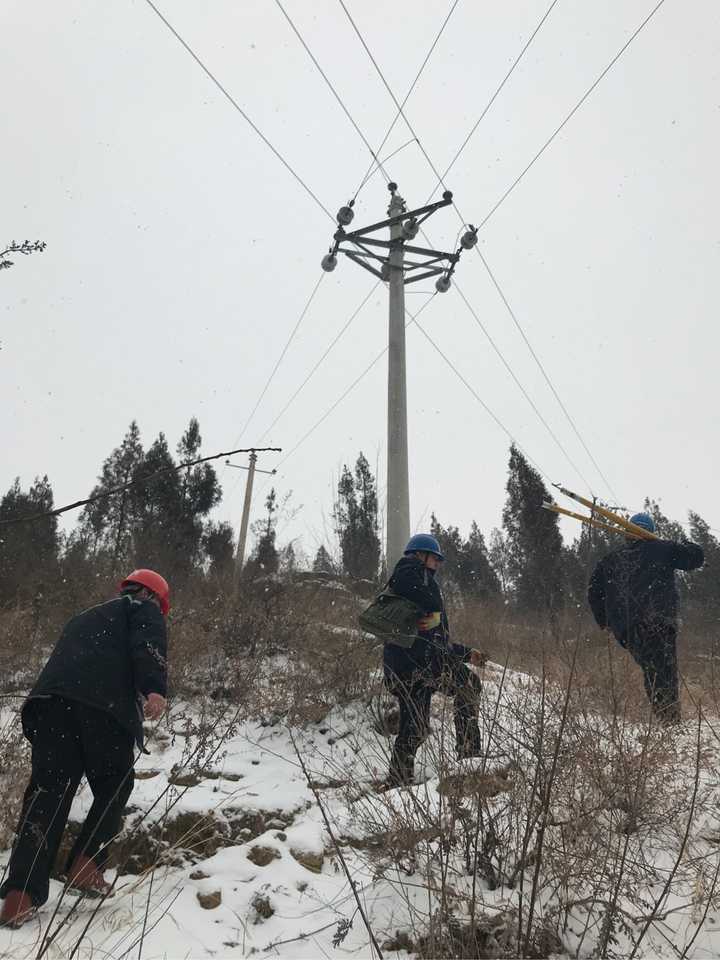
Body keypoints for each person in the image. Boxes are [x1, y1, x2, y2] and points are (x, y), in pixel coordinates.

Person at [0, 569, 170, 929]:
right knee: (115, 784)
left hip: (50, 706)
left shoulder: (85, 616)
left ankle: (20, 895)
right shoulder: (144, 608)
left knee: (48, 793)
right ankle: (87, 863)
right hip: (101, 707)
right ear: (154, 596)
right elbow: (147, 642)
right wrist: (154, 687)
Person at [383, 534, 484, 787]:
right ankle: (469, 754)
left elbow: (434, 636)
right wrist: (435, 607)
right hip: (417, 665)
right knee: (468, 686)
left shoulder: (420, 580)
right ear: (419, 554)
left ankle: (398, 780)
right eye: (435, 558)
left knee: (414, 729)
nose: (438, 564)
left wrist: (466, 653)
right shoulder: (408, 571)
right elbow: (430, 618)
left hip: (414, 665)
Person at [588, 513, 703, 722]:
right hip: (658, 622)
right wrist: (686, 543)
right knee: (663, 673)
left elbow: (594, 592)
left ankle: (665, 720)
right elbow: (695, 558)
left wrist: (604, 621)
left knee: (652, 670)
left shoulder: (609, 560)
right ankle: (670, 723)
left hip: (627, 631)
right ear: (650, 531)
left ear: (626, 533)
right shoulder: (663, 549)